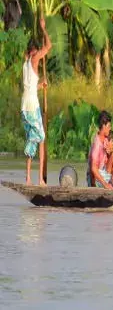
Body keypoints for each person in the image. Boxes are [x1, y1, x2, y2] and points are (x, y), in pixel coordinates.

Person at [21, 15, 52, 185]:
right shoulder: (33, 59)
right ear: (34, 51)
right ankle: (40, 179)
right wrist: (43, 28)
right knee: (41, 138)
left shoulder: (25, 63)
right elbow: (49, 46)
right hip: (32, 107)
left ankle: (28, 178)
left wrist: (41, 86)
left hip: (24, 107)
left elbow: (29, 87)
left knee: (32, 138)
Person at [88, 111, 113, 189]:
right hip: (96, 179)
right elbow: (93, 168)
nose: (110, 129)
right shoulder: (97, 144)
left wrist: (110, 152)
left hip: (103, 173)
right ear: (103, 126)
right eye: (109, 126)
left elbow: (107, 161)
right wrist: (105, 185)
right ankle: (110, 187)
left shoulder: (105, 140)